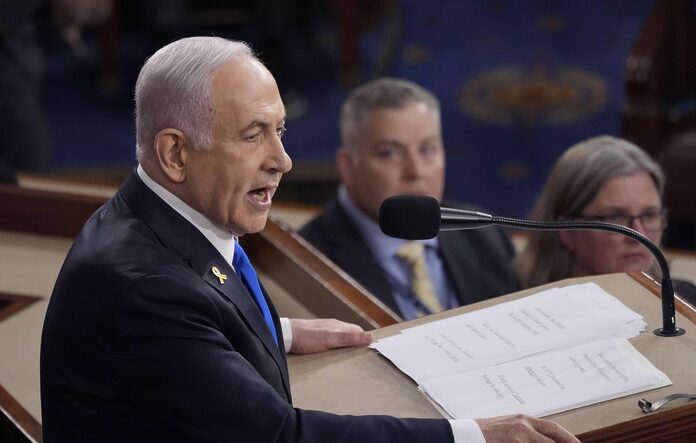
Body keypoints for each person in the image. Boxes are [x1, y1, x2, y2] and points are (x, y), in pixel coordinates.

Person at [40, 36, 578, 443]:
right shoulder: (143, 289)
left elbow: (185, 322)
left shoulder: (150, 216)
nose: (283, 161)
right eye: (253, 136)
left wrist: (278, 330)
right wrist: (475, 435)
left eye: (281, 131)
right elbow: (280, 437)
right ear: (175, 154)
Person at [299, 77, 519, 320]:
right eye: (389, 153)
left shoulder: (484, 235)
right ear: (348, 165)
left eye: (428, 149)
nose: (416, 171)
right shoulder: (306, 261)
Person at [515, 136, 696, 301]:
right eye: (615, 218)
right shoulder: (522, 314)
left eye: (649, 215)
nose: (638, 235)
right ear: (564, 229)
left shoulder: (686, 300)